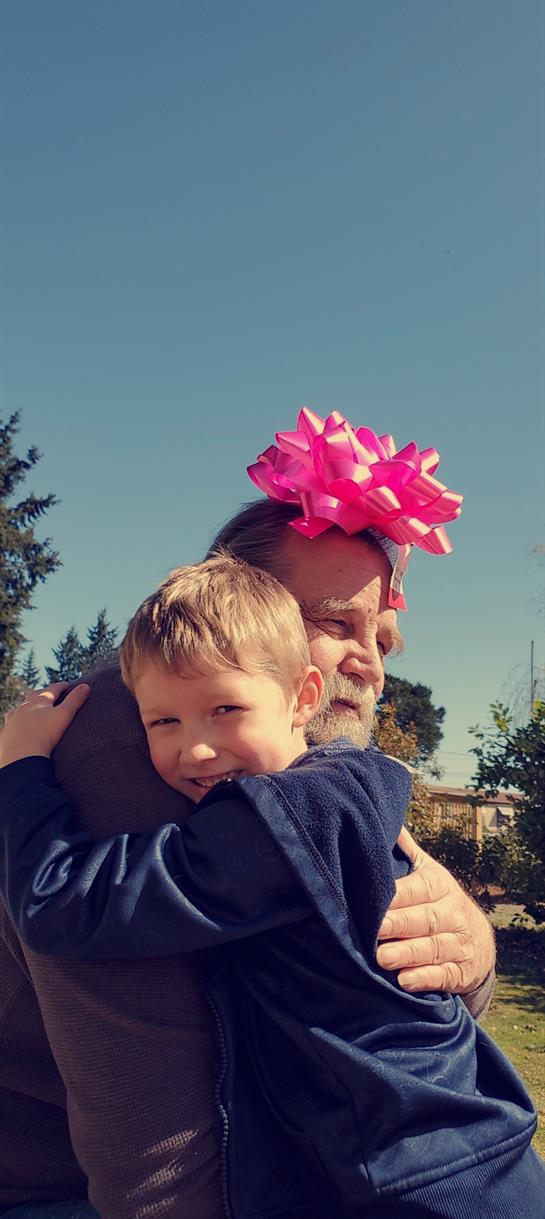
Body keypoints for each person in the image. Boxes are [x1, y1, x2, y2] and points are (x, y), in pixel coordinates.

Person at [0, 411, 495, 1218]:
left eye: (384, 639)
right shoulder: (138, 744)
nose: (369, 663)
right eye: (335, 621)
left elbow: (398, 995)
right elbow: (150, 1150)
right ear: (239, 604)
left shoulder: (303, 767)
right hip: (61, 1183)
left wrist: (470, 950)